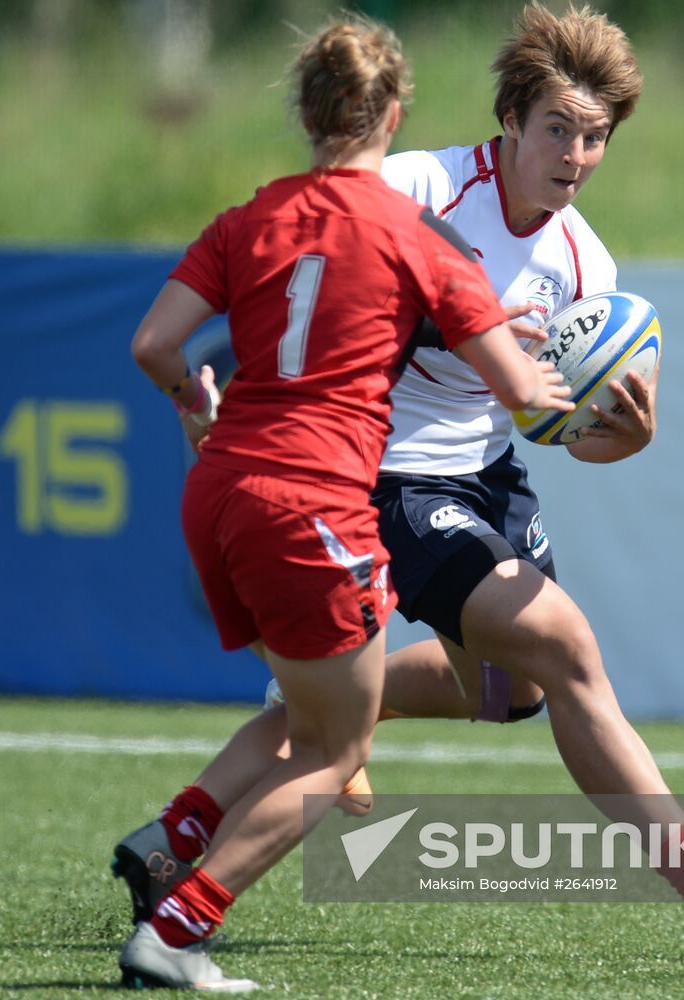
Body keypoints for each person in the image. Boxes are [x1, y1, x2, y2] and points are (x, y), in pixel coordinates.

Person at [115, 1, 684, 960]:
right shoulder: (414, 188)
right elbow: (328, 296)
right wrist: (450, 326)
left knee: (513, 694)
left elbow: (562, 429)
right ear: (511, 121)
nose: (573, 154)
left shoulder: (582, 261)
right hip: (385, 475)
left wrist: (626, 436)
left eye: (595, 136)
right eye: (557, 128)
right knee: (568, 652)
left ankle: (258, 766)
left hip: (488, 475)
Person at [116, 13, 572, 991]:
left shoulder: (249, 217)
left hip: (221, 489)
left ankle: (176, 833)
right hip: (312, 499)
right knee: (337, 753)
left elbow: (155, 346)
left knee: (308, 721)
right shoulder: (418, 235)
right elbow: (522, 390)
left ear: (306, 112)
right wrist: (595, 380)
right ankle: (176, 929)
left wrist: (200, 406)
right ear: (395, 114)